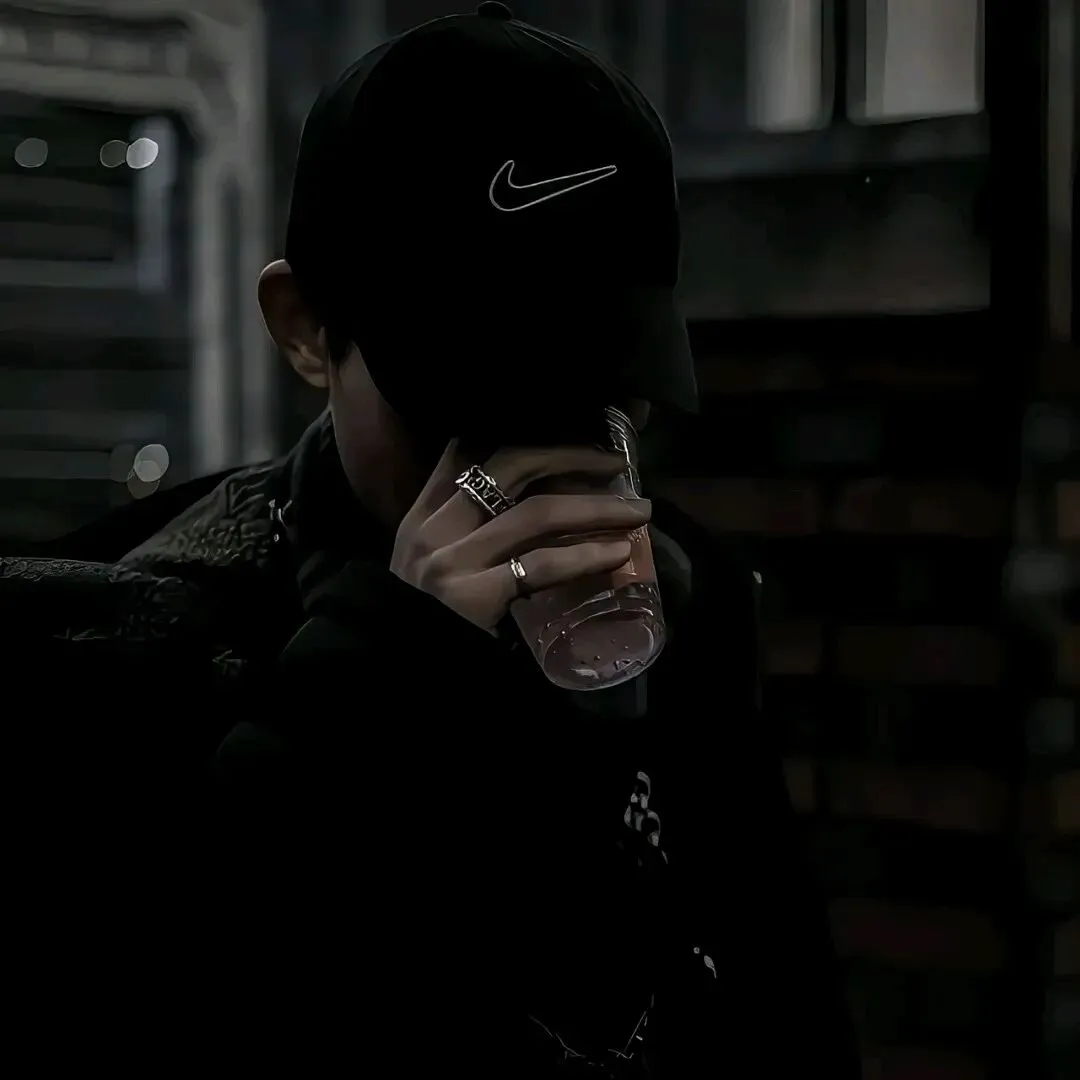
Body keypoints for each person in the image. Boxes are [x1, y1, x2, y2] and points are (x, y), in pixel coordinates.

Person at [1, 5, 858, 1076]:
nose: (532, 453)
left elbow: (784, 1017)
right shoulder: (126, 639)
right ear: (306, 329)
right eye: (470, 394)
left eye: (595, 385)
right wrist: (368, 698)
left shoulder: (685, 593)